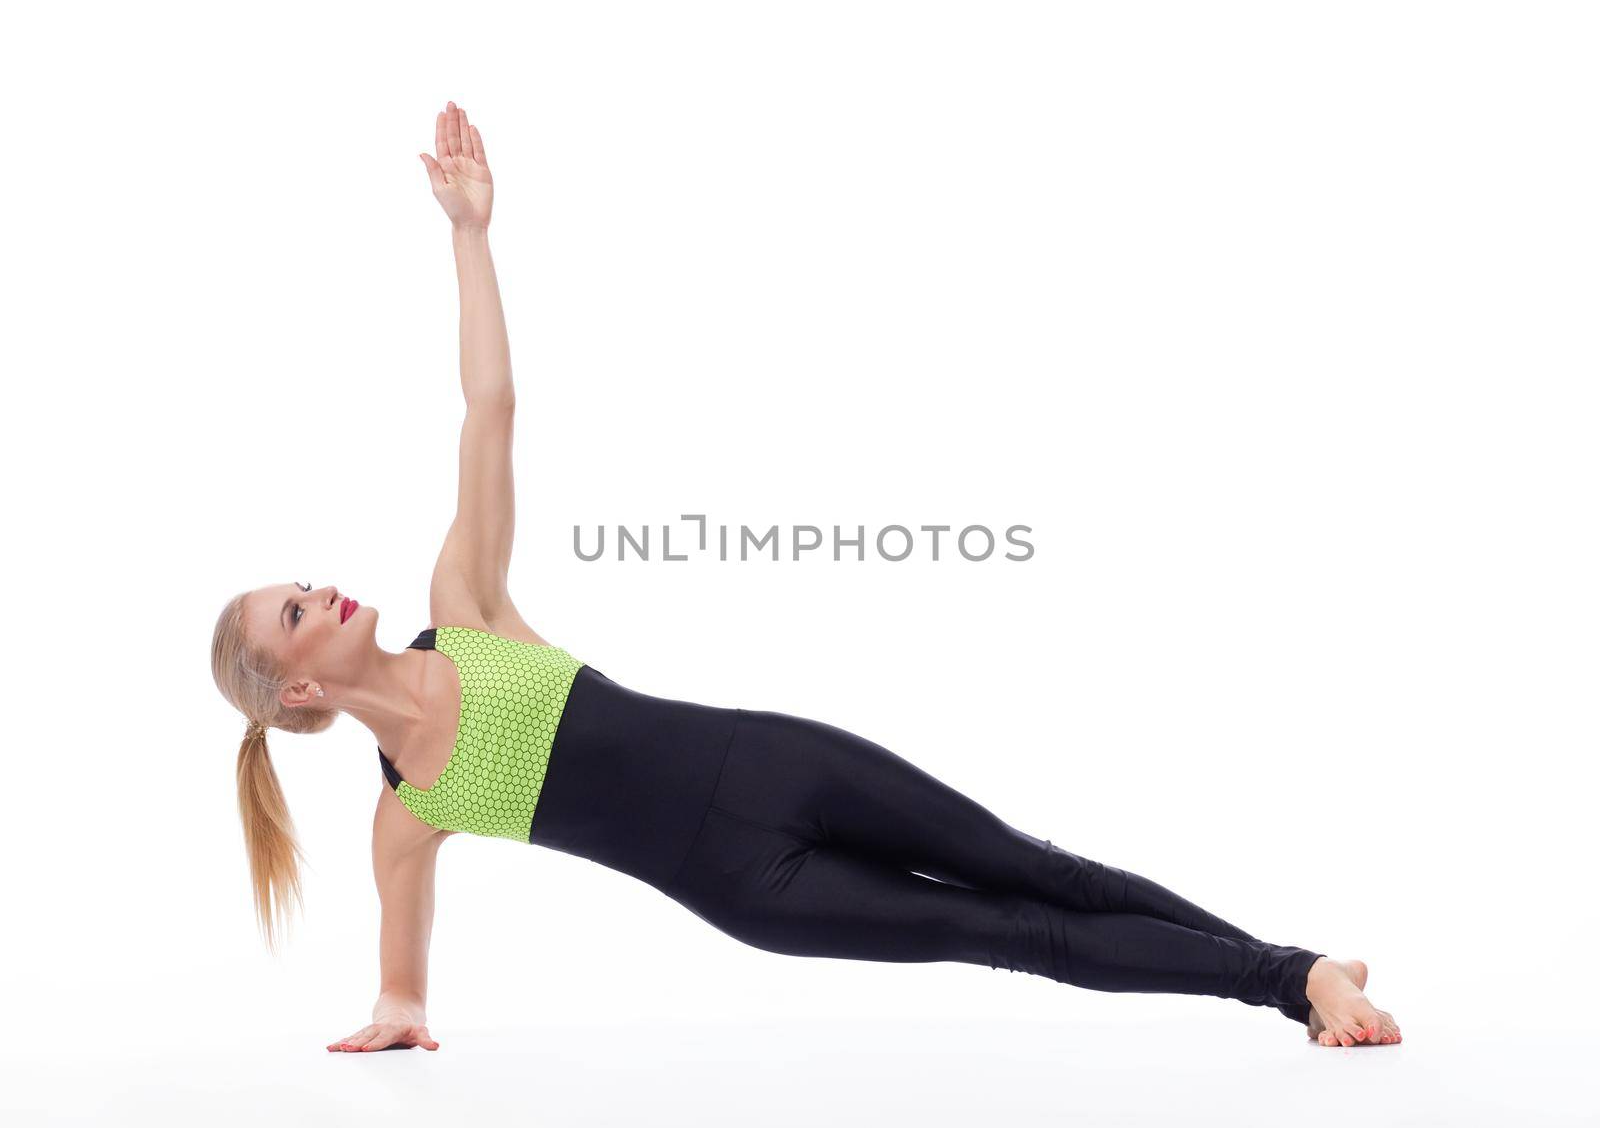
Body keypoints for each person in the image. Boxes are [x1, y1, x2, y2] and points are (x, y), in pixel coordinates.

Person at [211, 101, 1401, 1054]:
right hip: (750, 884)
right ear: (298, 691)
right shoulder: (407, 813)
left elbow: (490, 410)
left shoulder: (461, 613)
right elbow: (403, 980)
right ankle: (1293, 979)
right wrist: (400, 1012)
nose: (324, 592)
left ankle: (1295, 975)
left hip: (777, 758)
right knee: (1012, 933)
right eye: (298, 611)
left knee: (1042, 871)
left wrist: (470, 236)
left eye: (303, 585)